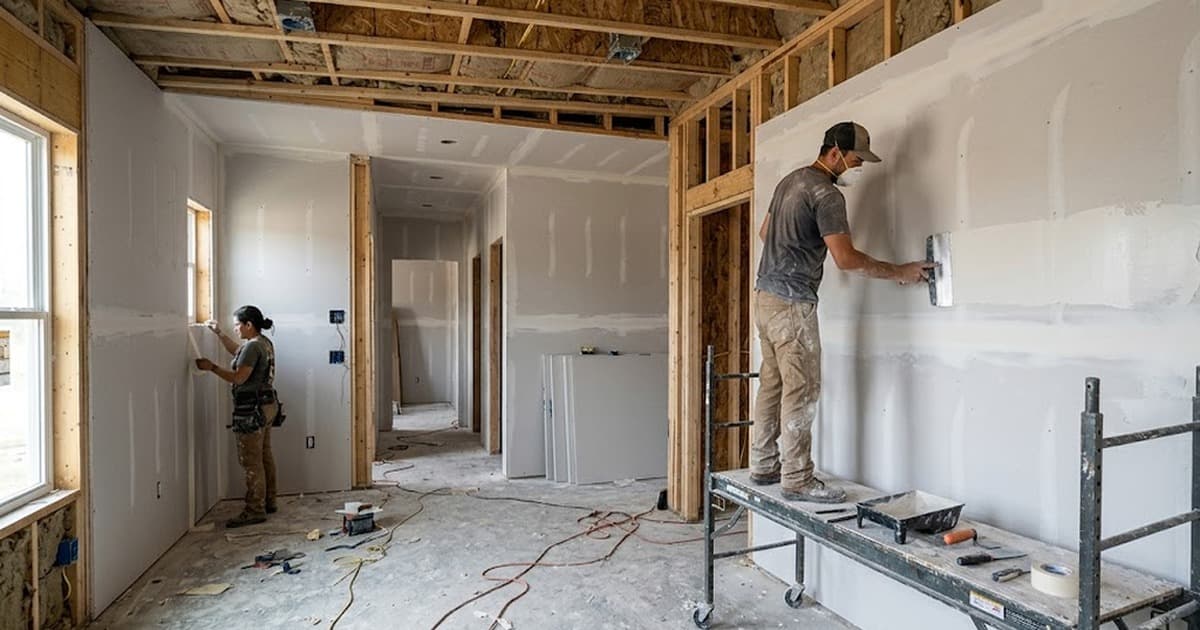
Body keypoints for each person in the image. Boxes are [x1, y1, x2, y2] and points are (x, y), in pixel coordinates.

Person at [752, 122, 935, 503]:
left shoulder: (791, 181)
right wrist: (900, 271)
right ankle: (798, 478)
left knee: (772, 381)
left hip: (764, 296)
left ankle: (763, 463)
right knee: (802, 388)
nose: (857, 166)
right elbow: (846, 259)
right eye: (854, 159)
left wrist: (795, 247)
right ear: (834, 152)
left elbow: (765, 233)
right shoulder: (826, 194)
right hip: (792, 304)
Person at [195, 305, 281, 527]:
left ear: (248, 325)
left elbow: (239, 378)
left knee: (251, 462)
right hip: (267, 406)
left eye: (237, 325)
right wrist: (219, 334)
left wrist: (211, 367)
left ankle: (255, 510)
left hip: (251, 410)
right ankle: (269, 501)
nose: (235, 329)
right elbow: (239, 353)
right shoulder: (262, 343)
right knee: (264, 456)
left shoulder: (253, 347)